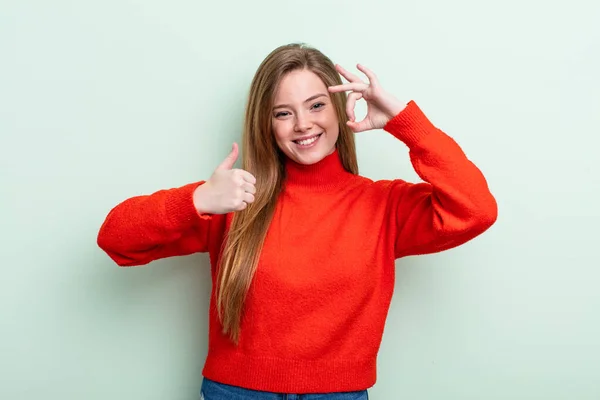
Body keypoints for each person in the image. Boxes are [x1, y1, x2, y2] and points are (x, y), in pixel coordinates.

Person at [97, 43, 498, 399]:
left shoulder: (383, 205)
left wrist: (404, 122)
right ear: (266, 124)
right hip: (236, 392)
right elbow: (116, 239)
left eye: (317, 105)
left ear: (342, 108)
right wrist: (197, 198)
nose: (303, 124)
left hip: (339, 394)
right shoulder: (236, 198)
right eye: (283, 113)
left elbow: (476, 209)